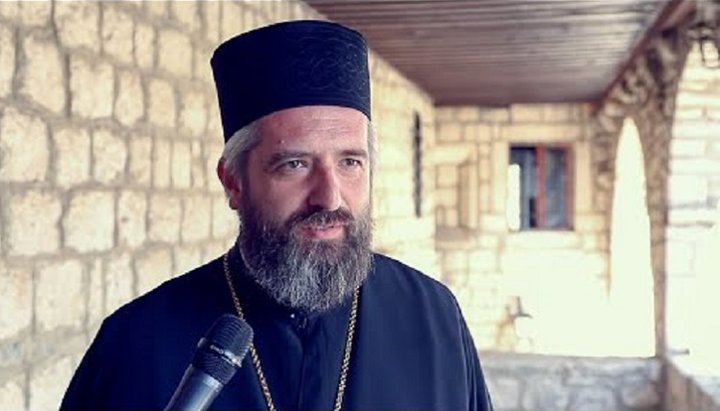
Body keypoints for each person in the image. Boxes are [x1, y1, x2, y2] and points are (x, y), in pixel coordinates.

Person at [61, 20, 494, 411]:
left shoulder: (436, 319)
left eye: (350, 162)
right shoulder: (135, 343)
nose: (329, 197)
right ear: (233, 181)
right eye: (295, 165)